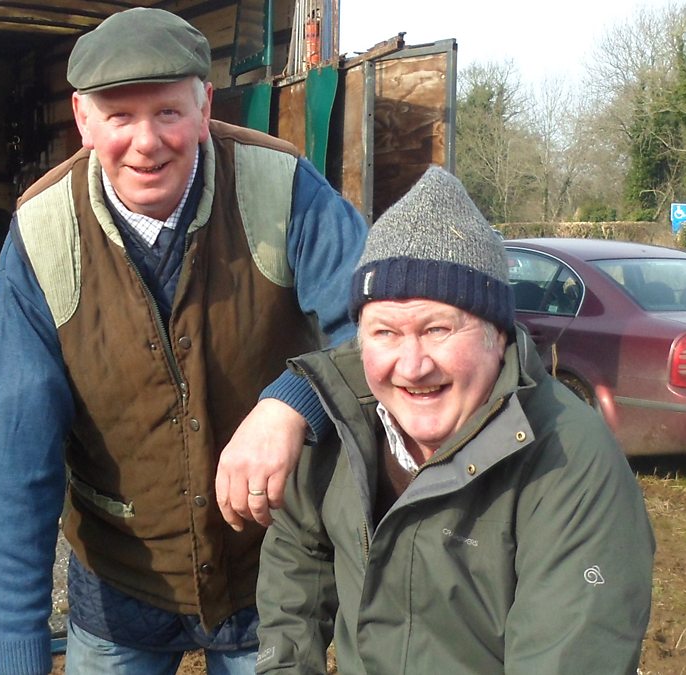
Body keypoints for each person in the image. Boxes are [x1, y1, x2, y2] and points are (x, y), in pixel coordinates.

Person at [0, 8, 367, 673]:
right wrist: (18, 652)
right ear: (82, 119)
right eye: (119, 117)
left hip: (269, 573)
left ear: (205, 104)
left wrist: (296, 400)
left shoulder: (282, 187)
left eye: (167, 112)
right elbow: (20, 462)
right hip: (121, 584)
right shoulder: (43, 235)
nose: (146, 142)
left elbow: (382, 324)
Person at [255, 166, 655, 673]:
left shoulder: (570, 463)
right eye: (384, 333)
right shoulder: (342, 422)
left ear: (497, 334)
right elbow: (296, 555)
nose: (412, 366)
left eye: (438, 329)